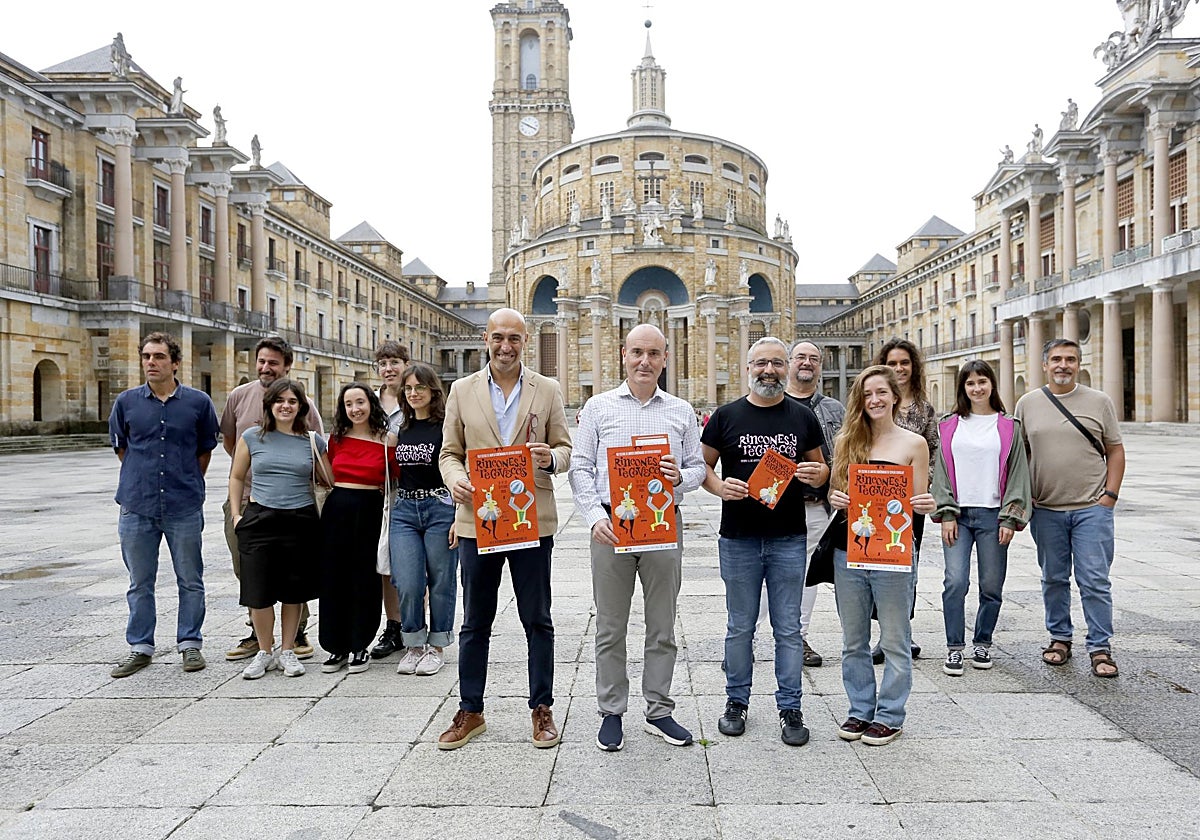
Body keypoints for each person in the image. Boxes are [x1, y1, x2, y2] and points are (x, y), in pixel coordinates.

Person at [437, 308, 572, 750]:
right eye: (498, 337)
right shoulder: (461, 389)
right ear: (485, 339)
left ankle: (541, 708)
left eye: (514, 338)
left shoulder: (547, 389)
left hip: (530, 516)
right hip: (479, 520)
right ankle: (471, 709)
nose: (506, 346)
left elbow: (565, 448)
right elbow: (449, 452)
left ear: (526, 341)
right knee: (476, 620)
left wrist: (550, 459)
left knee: (537, 617)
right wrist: (456, 479)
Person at [568, 324, 707, 752]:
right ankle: (612, 711)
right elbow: (580, 466)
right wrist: (593, 516)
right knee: (610, 625)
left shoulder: (681, 410)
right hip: (611, 526)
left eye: (653, 353)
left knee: (662, 624)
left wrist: (680, 476)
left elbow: (699, 466)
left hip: (663, 524)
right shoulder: (598, 407)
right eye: (637, 353)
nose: (644, 361)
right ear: (623, 356)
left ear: (666, 358)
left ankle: (659, 710)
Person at [701, 337, 829, 746]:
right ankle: (736, 701)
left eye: (776, 362)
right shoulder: (725, 416)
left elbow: (822, 467)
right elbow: (702, 467)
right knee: (740, 626)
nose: (769, 370)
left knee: (788, 628)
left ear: (787, 368)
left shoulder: (801, 417)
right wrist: (720, 487)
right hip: (738, 537)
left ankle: (791, 706)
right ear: (748, 368)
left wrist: (817, 476)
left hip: (789, 537)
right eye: (761, 363)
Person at [828, 366, 936, 746]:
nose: (874, 400)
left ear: (894, 397)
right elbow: (836, 493)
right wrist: (835, 497)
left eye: (880, 393)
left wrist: (924, 502)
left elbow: (918, 501)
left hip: (892, 552)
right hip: (850, 551)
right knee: (853, 639)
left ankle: (890, 714)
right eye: (867, 394)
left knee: (894, 637)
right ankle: (859, 709)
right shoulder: (847, 440)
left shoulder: (913, 444)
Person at [108, 332, 219, 678]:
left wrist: (183, 480)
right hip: (136, 505)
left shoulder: (198, 403)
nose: (151, 363)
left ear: (175, 362)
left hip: (183, 503)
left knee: (190, 577)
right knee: (140, 581)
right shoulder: (126, 403)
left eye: (158, 356)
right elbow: (122, 448)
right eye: (146, 356)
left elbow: (205, 450)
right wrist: (142, 479)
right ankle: (140, 646)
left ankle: (190, 643)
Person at [1015, 339, 1125, 678]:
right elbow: (1020, 455)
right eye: (1057, 359)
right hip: (1047, 509)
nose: (1064, 365)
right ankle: (1060, 638)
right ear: (1045, 364)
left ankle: (1100, 647)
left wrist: (1109, 496)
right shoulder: (1028, 403)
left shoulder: (1098, 401)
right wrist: (1025, 495)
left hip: (1092, 507)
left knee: (1094, 580)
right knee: (1053, 578)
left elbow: (1115, 451)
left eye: (1071, 359)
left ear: (1078, 364)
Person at [220, 336, 323, 663]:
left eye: (273, 363)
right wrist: (238, 510)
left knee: (295, 572)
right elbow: (231, 443)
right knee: (249, 570)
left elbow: (317, 453)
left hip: (293, 505)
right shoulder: (239, 396)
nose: (266, 368)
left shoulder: (303, 403)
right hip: (250, 502)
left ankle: (298, 633)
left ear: (286, 367)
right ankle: (258, 635)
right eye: (261, 361)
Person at [931, 360, 1031, 676]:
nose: (977, 388)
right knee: (955, 581)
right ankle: (955, 648)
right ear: (962, 387)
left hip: (993, 515)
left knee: (991, 585)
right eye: (970, 383)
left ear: (992, 385)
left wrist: (1010, 517)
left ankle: (983, 643)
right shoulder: (948, 425)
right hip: (957, 516)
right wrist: (945, 511)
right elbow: (941, 472)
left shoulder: (1009, 426)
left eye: (982, 381)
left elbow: (1018, 473)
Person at [388, 362, 458, 677]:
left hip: (440, 506)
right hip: (404, 509)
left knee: (441, 579)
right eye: (409, 388)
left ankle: (437, 645)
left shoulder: (446, 426)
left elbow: (460, 465)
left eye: (420, 387)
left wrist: (461, 516)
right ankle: (414, 643)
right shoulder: (399, 427)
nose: (414, 393)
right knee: (408, 581)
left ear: (433, 390)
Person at [319, 383, 393, 674]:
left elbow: (394, 480)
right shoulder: (336, 439)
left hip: (370, 509)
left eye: (360, 402)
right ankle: (335, 645)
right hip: (337, 508)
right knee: (334, 577)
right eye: (348, 404)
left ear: (371, 404)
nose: (355, 409)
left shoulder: (388, 440)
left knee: (364, 577)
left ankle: (360, 643)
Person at [783, 340, 846, 668]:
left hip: (816, 505)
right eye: (800, 358)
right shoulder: (773, 403)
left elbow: (848, 454)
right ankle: (744, 639)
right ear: (789, 363)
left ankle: (799, 636)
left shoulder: (835, 410)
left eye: (813, 359)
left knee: (807, 574)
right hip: (775, 506)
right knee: (764, 572)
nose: (806, 363)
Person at [875, 338, 938, 660]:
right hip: (872, 500)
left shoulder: (924, 409)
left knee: (906, 565)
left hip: (910, 502)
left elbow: (934, 451)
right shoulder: (875, 402)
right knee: (875, 562)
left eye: (904, 363)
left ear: (913, 367)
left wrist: (920, 486)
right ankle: (884, 634)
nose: (899, 369)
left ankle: (903, 632)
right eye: (893, 363)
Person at [369, 340, 411, 661]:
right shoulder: (368, 401)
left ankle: (414, 623)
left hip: (409, 489)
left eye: (394, 362)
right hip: (375, 491)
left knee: (412, 561)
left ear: (405, 364)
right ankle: (393, 625)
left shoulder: (416, 397)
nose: (388, 369)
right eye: (383, 363)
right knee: (385, 563)